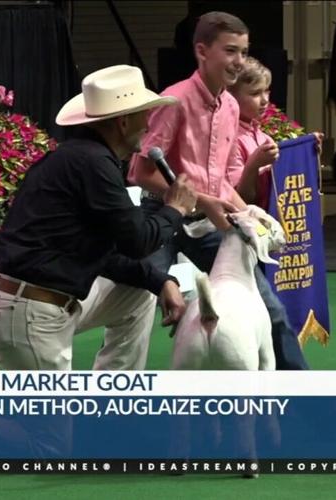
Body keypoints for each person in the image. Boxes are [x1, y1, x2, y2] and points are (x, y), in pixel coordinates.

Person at [0, 64, 205, 372]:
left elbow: (106, 254)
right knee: (49, 420)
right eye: (143, 114)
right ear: (124, 122)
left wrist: (160, 280)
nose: (148, 123)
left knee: (138, 294)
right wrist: (175, 207)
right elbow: (137, 241)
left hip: (33, 301)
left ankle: (109, 402)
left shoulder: (86, 158)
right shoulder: (93, 164)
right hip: (28, 308)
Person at [128, 12, 310, 370]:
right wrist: (205, 200)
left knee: (270, 310)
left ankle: (303, 401)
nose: (239, 61)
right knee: (134, 311)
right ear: (202, 51)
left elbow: (223, 179)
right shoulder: (173, 100)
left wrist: (251, 218)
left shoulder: (229, 105)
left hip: (208, 222)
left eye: (244, 51)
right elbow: (141, 172)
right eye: (230, 51)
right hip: (160, 217)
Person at [227, 56, 324, 208]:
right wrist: (253, 164)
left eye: (266, 91)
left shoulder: (261, 136)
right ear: (230, 97)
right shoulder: (230, 140)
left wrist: (306, 154)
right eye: (255, 94)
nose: (265, 100)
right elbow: (242, 200)